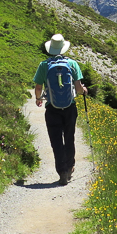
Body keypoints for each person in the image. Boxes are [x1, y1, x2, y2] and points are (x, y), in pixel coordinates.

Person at [33, 33, 87, 185]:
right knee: (69, 137)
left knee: (56, 140)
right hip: (69, 107)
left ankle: (62, 171)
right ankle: (70, 168)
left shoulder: (44, 65)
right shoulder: (72, 64)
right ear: (63, 48)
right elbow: (78, 89)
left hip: (52, 108)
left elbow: (38, 87)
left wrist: (38, 98)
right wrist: (84, 90)